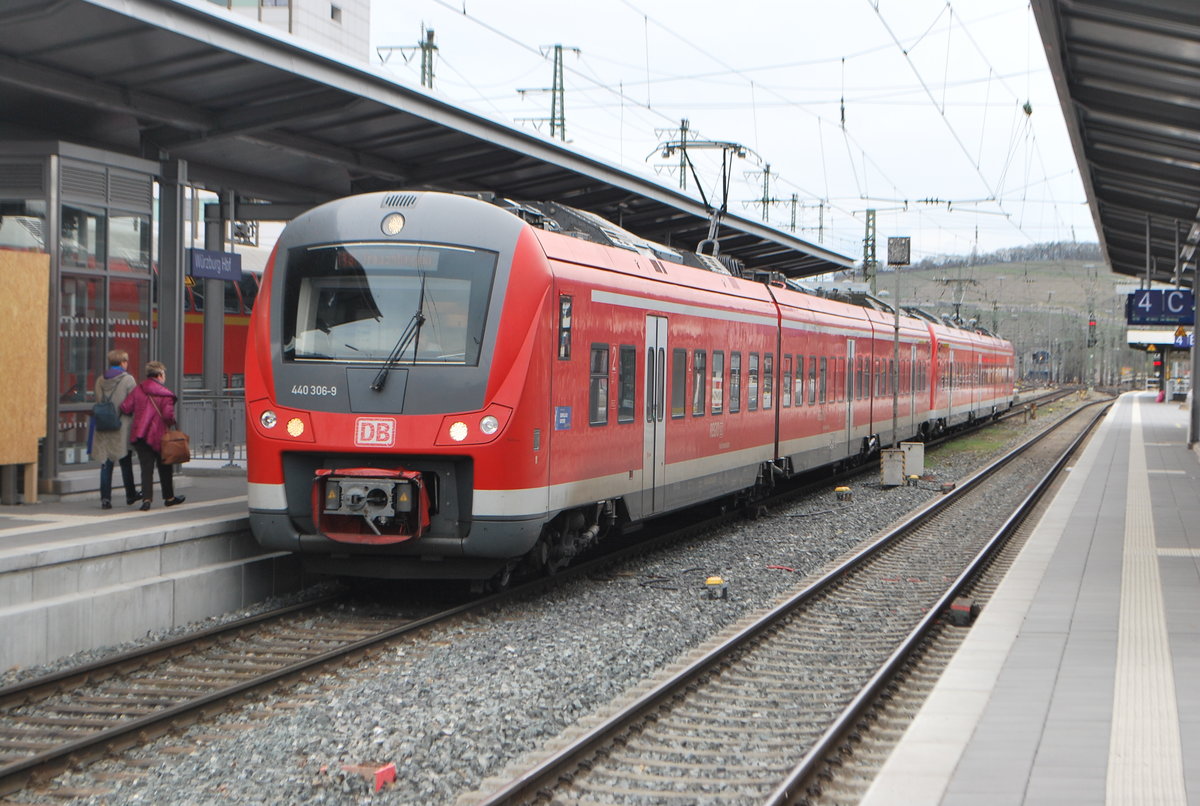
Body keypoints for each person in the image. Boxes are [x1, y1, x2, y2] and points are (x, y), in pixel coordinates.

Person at [121, 361, 186, 511]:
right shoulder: (165, 394)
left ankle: (146, 500)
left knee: (146, 469)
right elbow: (168, 416)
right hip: (160, 435)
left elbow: (126, 407)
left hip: (141, 435)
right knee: (165, 467)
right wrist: (172, 422)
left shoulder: (138, 390)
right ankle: (169, 498)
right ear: (159, 375)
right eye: (164, 374)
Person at [91, 349, 141, 509]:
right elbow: (134, 402)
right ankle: (131, 495)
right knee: (125, 460)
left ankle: (105, 498)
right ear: (122, 363)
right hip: (122, 425)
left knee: (106, 462)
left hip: (103, 425)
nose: (127, 364)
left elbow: (98, 399)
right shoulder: (128, 380)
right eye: (126, 361)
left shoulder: (100, 380)